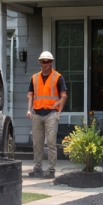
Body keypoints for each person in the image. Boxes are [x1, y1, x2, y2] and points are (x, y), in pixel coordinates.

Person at [26, 51, 68, 179]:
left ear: (51, 62)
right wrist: (29, 109)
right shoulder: (34, 78)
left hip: (51, 113)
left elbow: (64, 95)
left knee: (51, 142)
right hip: (37, 113)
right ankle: (37, 167)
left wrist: (58, 110)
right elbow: (30, 95)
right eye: (43, 61)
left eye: (47, 61)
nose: (45, 64)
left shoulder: (58, 77)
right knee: (37, 143)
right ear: (40, 62)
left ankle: (51, 169)